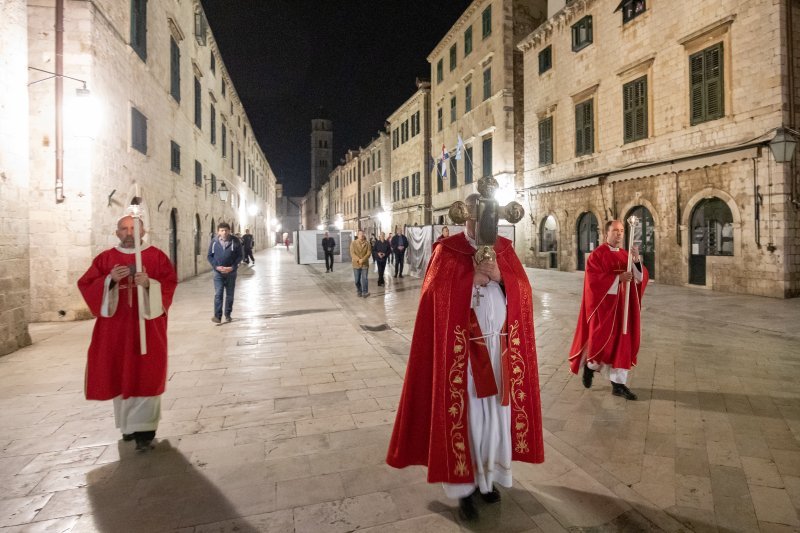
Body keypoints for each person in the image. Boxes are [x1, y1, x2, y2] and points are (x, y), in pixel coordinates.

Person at [386, 194, 544, 521]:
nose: (486, 224)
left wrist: (501, 277)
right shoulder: (448, 250)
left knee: (495, 421)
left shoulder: (505, 249)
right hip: (463, 357)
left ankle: (488, 479)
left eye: (491, 218)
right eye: (479, 217)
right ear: (467, 216)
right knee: (468, 421)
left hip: (499, 353)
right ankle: (464, 489)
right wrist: (468, 279)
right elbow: (432, 295)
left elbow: (524, 293)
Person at [77, 215, 178, 451]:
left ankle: (145, 431)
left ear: (144, 231)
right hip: (115, 330)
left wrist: (149, 284)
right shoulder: (106, 258)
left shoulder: (156, 256)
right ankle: (128, 428)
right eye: (124, 228)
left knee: (146, 374)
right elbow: (87, 284)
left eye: (134, 228)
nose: (129, 232)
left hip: (147, 328)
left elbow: (169, 284)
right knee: (119, 373)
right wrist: (109, 280)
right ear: (117, 232)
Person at [568, 220, 648, 400]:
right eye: (615, 231)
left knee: (623, 344)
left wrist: (636, 261)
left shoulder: (626, 255)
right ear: (606, 234)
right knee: (600, 344)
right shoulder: (597, 255)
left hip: (624, 310)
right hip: (605, 309)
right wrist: (617, 279)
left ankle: (618, 385)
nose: (619, 234)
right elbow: (592, 282)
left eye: (621, 231)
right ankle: (590, 368)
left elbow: (639, 279)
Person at [207, 222, 242, 323]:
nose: (224, 232)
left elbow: (240, 256)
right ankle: (217, 316)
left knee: (230, 295)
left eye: (226, 230)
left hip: (231, 273)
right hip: (218, 273)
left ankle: (228, 314)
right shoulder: (214, 242)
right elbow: (209, 256)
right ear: (218, 231)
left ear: (229, 231)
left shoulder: (235, 241)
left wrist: (232, 267)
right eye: (222, 230)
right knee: (218, 294)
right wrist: (216, 267)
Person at [350, 229, 371, 297]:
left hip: (364, 264)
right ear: (358, 235)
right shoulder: (353, 243)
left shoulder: (367, 243)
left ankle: (365, 292)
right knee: (357, 280)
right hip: (356, 264)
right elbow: (352, 253)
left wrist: (363, 259)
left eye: (362, 234)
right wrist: (359, 260)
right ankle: (359, 290)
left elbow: (369, 253)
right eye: (360, 234)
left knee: (364, 278)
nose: (361, 235)